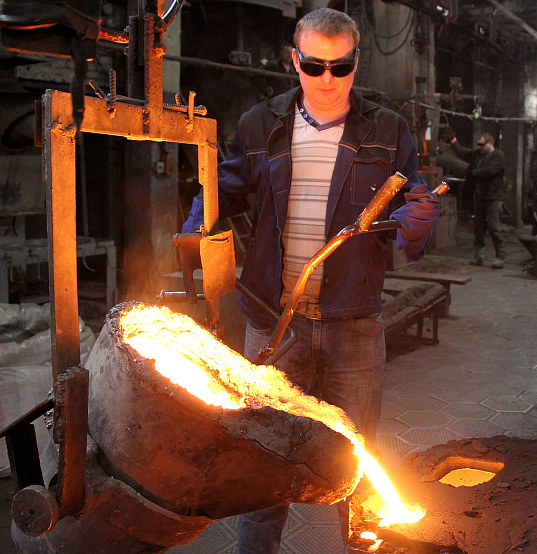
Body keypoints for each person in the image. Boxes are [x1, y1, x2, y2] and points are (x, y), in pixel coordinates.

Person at [181, 8, 439, 553]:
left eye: (340, 67)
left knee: (357, 461)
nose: (327, 79)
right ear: (294, 60)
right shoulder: (260, 124)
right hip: (275, 324)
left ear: (356, 63)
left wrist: (417, 223)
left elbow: (409, 208)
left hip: (354, 325)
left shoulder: (387, 130)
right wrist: (201, 218)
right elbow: (226, 187)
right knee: (262, 461)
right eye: (314, 65)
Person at [443, 128, 506, 268]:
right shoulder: (477, 154)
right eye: (478, 144)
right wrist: (453, 140)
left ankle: (500, 256)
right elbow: (462, 153)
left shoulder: (498, 156)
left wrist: (474, 173)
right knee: (478, 228)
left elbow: (490, 170)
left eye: (482, 144)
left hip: (493, 197)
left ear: (490, 143)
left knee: (494, 227)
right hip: (480, 196)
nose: (479, 147)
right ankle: (479, 257)